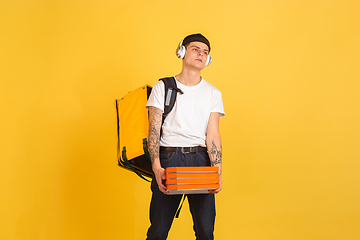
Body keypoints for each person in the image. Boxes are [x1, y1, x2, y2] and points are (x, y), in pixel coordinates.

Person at [145, 33, 225, 240]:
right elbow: (153, 130)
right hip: (169, 159)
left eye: (205, 52)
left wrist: (217, 169)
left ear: (208, 59)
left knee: (206, 231)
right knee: (158, 231)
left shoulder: (213, 93)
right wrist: (156, 166)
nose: (201, 54)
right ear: (182, 52)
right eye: (195, 49)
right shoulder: (162, 87)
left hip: (201, 160)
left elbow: (213, 134)